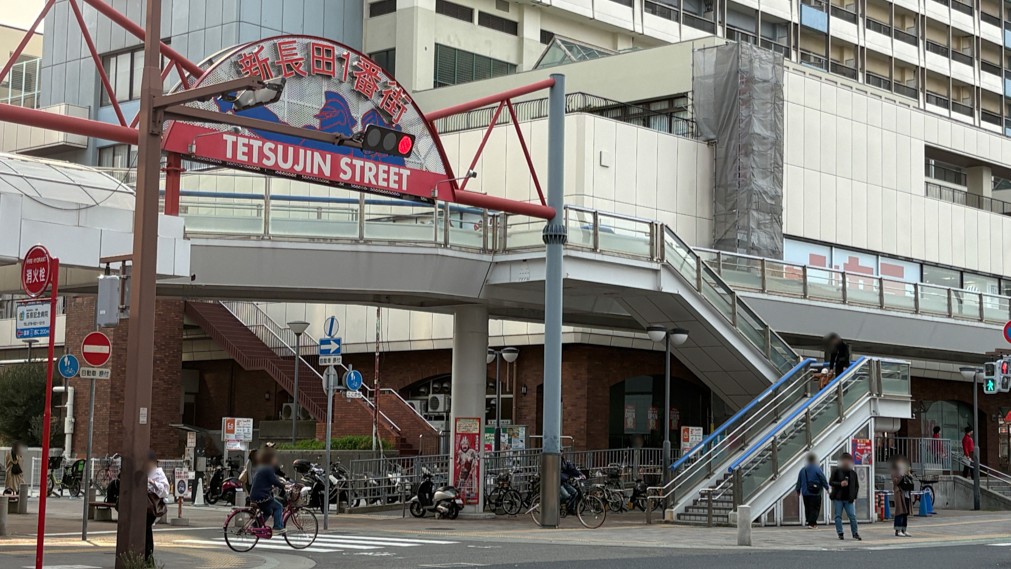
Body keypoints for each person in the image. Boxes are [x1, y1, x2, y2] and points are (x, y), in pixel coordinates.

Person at [250, 448, 287, 533]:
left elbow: (267, 481)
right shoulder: (268, 468)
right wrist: (284, 486)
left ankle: (256, 526)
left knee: (268, 511)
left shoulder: (261, 467)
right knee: (279, 506)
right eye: (274, 458)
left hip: (255, 495)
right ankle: (278, 527)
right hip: (262, 496)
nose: (275, 460)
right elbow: (274, 480)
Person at [144, 451, 170, 563]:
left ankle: (149, 558)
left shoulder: (158, 473)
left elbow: (165, 490)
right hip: (147, 507)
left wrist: (151, 482)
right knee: (146, 531)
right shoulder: (147, 472)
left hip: (151, 507)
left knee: (147, 531)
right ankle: (148, 558)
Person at [829, 453, 861, 541]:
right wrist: (840, 484)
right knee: (838, 516)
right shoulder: (836, 471)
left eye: (848, 460)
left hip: (849, 499)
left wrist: (854, 496)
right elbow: (831, 482)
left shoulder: (853, 473)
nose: (846, 462)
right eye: (844, 460)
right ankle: (840, 533)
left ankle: (855, 533)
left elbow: (856, 486)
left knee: (852, 516)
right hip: (838, 498)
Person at [795, 453, 829, 528]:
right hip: (815, 492)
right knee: (815, 508)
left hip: (805, 493)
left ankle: (810, 522)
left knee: (808, 507)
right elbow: (822, 478)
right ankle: (813, 523)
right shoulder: (817, 469)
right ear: (814, 460)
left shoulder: (802, 470)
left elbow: (799, 481)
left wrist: (798, 490)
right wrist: (827, 487)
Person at [891, 456, 913, 537]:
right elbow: (895, 481)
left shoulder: (905, 470)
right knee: (899, 512)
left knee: (905, 512)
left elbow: (910, 480)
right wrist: (901, 475)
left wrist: (909, 474)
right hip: (899, 493)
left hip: (906, 494)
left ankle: (904, 529)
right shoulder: (895, 471)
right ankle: (898, 530)